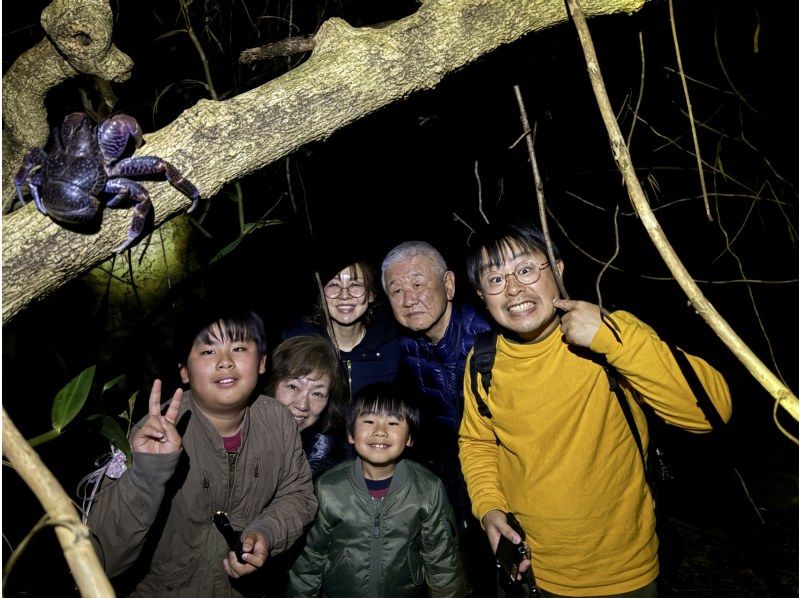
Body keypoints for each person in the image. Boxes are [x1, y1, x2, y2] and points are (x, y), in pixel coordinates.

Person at [459, 221, 733, 596]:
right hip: (531, 570)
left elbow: (710, 412)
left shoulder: (610, 334)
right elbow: (477, 442)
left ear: (557, 270)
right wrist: (489, 508)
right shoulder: (483, 360)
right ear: (481, 294)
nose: (513, 289)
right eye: (495, 280)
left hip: (623, 574)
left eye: (525, 270)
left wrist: (609, 337)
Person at [86, 306, 318, 597]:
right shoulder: (151, 436)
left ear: (261, 362)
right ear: (184, 370)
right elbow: (99, 559)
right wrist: (147, 474)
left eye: (238, 347)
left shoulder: (278, 420)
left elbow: (296, 494)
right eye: (208, 351)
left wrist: (265, 533)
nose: (225, 362)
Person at [381, 239, 495, 596]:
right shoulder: (403, 344)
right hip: (449, 474)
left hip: (500, 472)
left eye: (418, 283)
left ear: (448, 284)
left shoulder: (490, 338)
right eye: (396, 290)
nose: (408, 298)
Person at [287, 382, 466, 597]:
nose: (380, 431)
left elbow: (443, 561)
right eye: (369, 421)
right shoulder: (328, 488)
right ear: (351, 434)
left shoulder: (428, 488)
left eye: (393, 423)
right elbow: (310, 559)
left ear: (409, 438)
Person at [283, 257, 401, 397]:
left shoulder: (393, 345)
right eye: (334, 285)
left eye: (355, 285)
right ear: (321, 295)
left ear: (371, 294)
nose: (344, 295)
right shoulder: (296, 344)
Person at [267, 335, 349, 478]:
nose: (302, 404)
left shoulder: (329, 467)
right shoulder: (234, 438)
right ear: (271, 384)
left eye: (317, 394)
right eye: (293, 386)